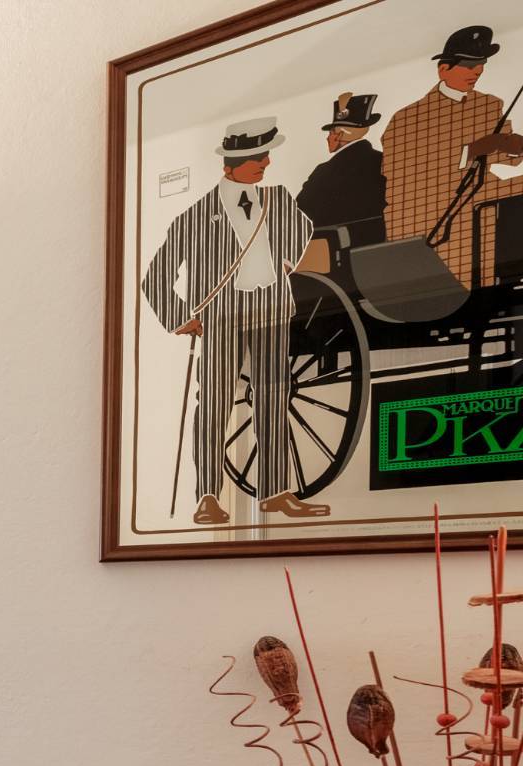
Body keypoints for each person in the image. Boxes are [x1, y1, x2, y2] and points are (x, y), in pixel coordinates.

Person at [141, 118, 321, 525]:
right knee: (214, 403)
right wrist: (181, 317)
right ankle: (208, 495)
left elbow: (303, 233)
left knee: (274, 399)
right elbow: (155, 278)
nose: (265, 163)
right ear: (230, 165)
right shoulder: (194, 217)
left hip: (271, 311)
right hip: (220, 318)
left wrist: (286, 259)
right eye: (256, 158)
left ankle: (274, 491)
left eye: (265, 155)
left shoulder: (278, 199)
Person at [382, 24, 523, 286]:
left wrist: (512, 146)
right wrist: (474, 149)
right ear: (444, 69)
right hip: (431, 208)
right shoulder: (407, 119)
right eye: (469, 65)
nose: (477, 71)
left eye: (481, 64)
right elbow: (401, 175)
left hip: (481, 193)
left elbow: (503, 153)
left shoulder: (489, 104)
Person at [297, 92, 386, 250]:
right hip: (380, 243)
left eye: (331, 132)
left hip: (334, 249)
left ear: (339, 135)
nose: (328, 138)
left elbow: (300, 213)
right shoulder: (383, 160)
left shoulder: (323, 172)